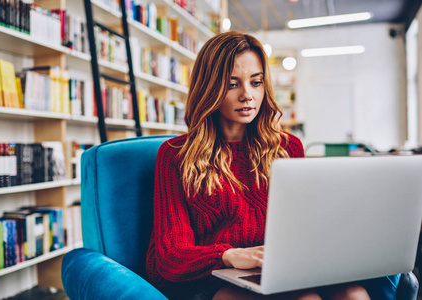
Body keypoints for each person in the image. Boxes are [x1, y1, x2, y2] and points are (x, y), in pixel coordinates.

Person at [146, 31, 400, 300]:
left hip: (283, 268)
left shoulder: (287, 147)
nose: (248, 95)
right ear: (209, 88)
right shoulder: (175, 155)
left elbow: (306, 226)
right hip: (215, 275)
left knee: (354, 294)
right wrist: (230, 255)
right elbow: (169, 256)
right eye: (233, 84)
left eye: (256, 82)